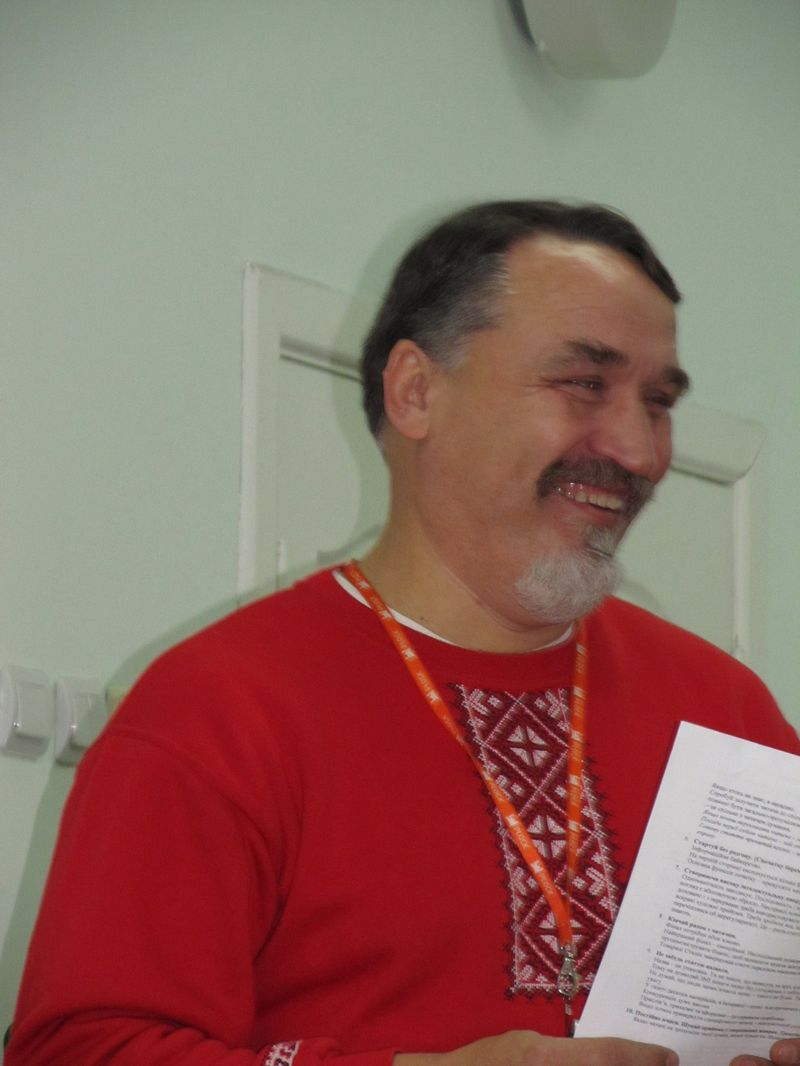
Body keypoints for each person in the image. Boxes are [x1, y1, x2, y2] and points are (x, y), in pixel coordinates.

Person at [6, 201, 800, 1066]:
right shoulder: (217, 710)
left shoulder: (726, 708)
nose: (640, 451)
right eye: (583, 384)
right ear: (417, 391)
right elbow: (77, 1051)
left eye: (658, 402)